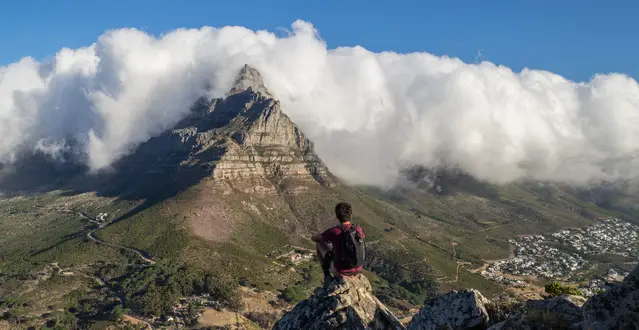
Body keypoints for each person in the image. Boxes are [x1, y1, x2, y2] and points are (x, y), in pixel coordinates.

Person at [312, 202, 366, 282]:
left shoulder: (333, 231)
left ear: (337, 216)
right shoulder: (358, 229)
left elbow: (315, 238)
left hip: (341, 271)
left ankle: (327, 275)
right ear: (351, 215)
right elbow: (362, 238)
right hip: (358, 268)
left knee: (319, 244)